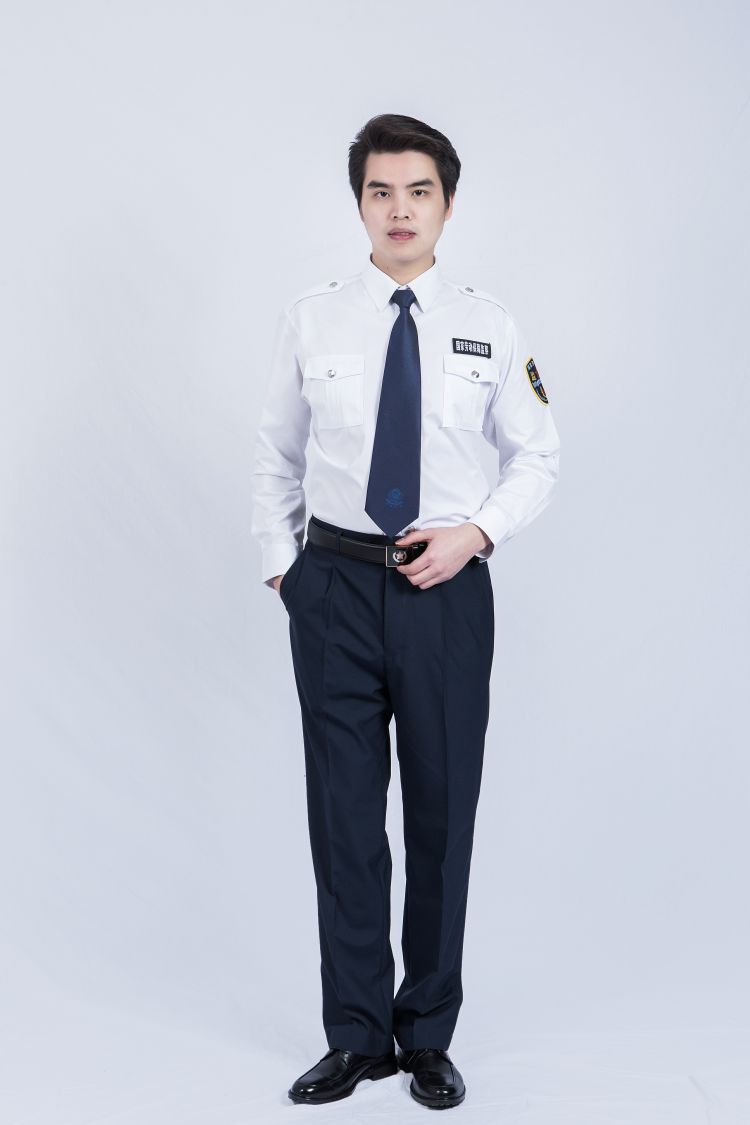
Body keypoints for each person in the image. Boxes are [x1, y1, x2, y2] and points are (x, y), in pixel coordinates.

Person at [251, 113, 561, 1110]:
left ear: (447, 205)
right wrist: (286, 572)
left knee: (439, 815)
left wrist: (477, 534)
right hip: (334, 589)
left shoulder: (489, 324)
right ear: (359, 203)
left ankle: (427, 1034)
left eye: (418, 191)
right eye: (380, 191)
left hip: (446, 595)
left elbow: (538, 455)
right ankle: (355, 1036)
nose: (399, 209)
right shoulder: (314, 318)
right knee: (344, 822)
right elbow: (275, 453)